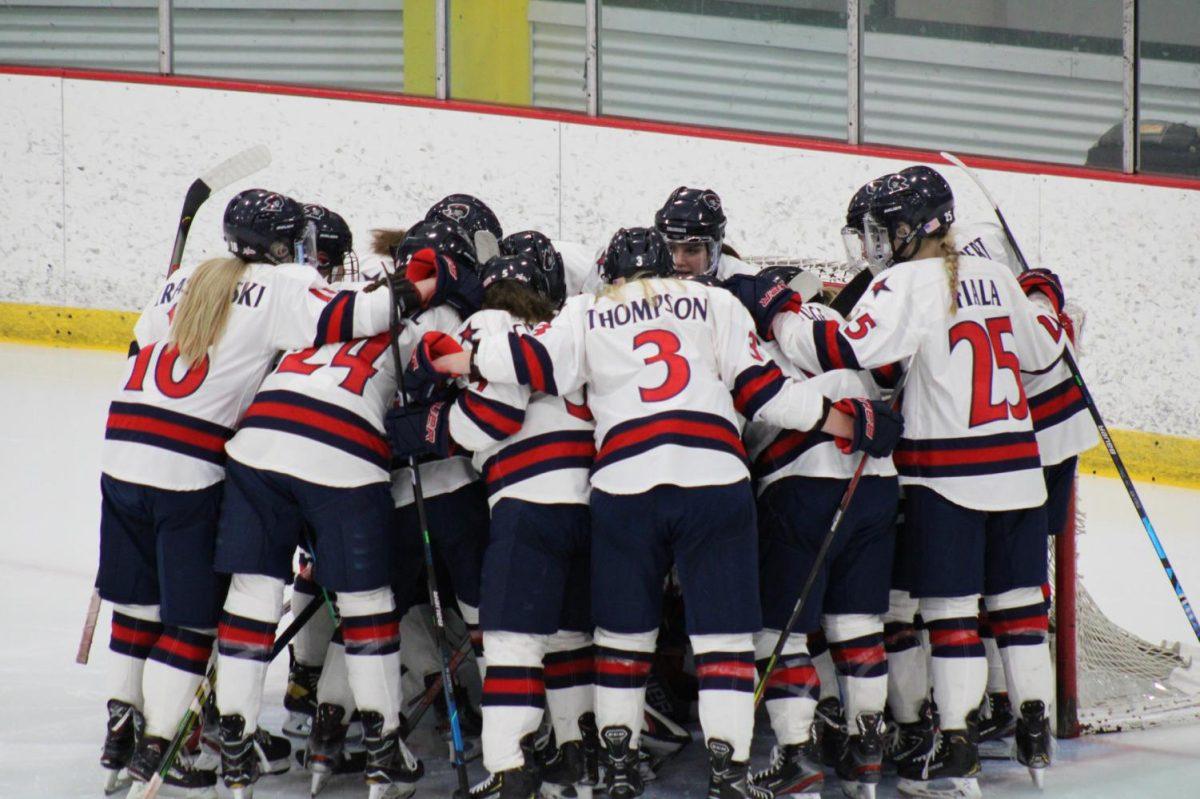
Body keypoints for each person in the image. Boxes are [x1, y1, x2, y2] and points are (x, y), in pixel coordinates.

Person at [417, 226, 901, 799]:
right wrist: (848, 421)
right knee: (724, 642)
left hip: (627, 483)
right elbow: (766, 393)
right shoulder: (716, 301)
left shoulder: (587, 309)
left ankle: (618, 767)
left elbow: (523, 360)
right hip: (716, 481)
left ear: (612, 274)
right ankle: (727, 770)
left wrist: (451, 355)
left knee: (623, 635)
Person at [734, 166, 1068, 798]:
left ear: (919, 227)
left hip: (945, 475)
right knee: (1021, 610)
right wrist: (1043, 295)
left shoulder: (907, 282)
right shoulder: (995, 276)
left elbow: (846, 349)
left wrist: (781, 316)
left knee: (950, 619)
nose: (878, 243)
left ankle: (959, 742)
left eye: (886, 229)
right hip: (1020, 472)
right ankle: (1034, 729)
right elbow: (1045, 350)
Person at [97, 189, 418, 799]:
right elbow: (369, 318)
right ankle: (165, 750)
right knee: (194, 624)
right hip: (195, 465)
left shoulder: (187, 277)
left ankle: (131, 731)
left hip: (123, 451)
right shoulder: (286, 285)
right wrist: (422, 289)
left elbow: (139, 350)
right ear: (282, 247)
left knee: (143, 606)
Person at [207, 200, 447, 799]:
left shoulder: (309, 310)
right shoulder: (413, 327)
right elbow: (425, 402)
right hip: (343, 454)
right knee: (367, 603)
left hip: (260, 446)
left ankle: (235, 747)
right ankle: (384, 751)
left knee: (252, 594)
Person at [389, 252, 597, 798]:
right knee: (570, 637)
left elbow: (494, 417)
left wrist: (423, 428)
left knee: (510, 643)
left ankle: (509, 768)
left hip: (530, 501)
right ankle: (577, 761)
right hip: (592, 502)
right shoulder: (570, 329)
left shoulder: (489, 324)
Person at [738, 267, 899, 799]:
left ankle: (794, 756)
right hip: (875, 482)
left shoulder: (754, 329)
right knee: (856, 623)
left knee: (775, 631)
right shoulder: (835, 320)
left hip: (799, 482)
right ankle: (866, 752)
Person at [653, 186, 759, 280]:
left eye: (691, 250)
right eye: (669, 249)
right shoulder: (648, 279)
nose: (678, 261)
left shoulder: (746, 283)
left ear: (713, 252)